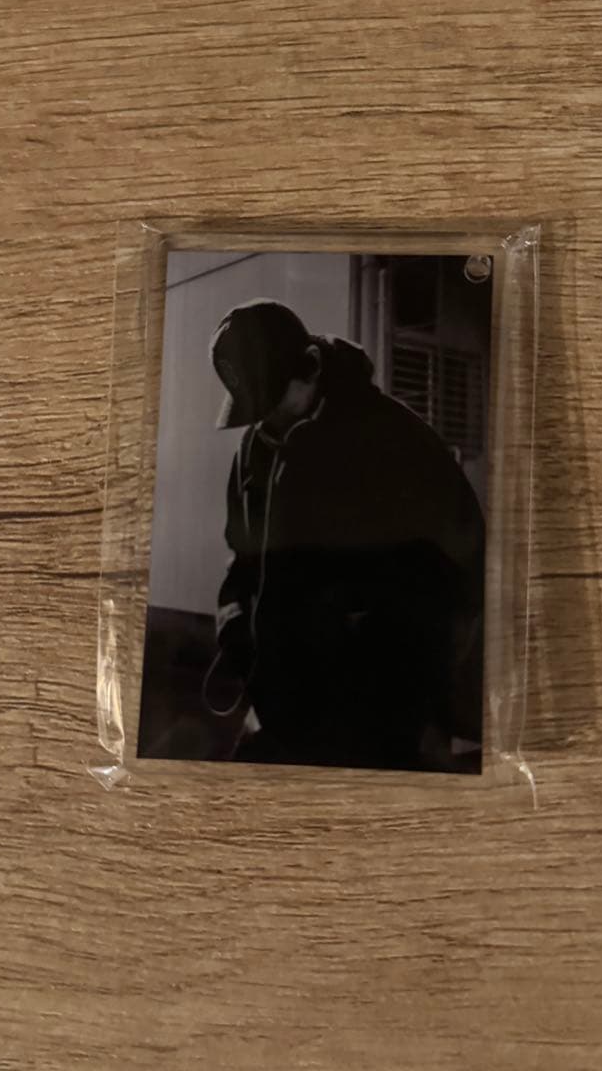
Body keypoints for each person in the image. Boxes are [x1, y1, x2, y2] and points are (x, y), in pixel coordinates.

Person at [205, 298, 485, 772]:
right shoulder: (254, 448)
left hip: (374, 715)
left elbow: (463, 571)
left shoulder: (397, 441)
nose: (264, 421)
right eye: (253, 408)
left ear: (312, 366)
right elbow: (241, 557)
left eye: (272, 400)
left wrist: (412, 694)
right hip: (278, 703)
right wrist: (233, 627)